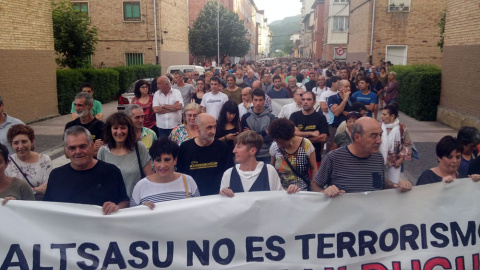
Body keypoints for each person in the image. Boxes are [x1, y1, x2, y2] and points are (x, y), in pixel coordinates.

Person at [312, 117, 412, 197]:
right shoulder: (334, 158)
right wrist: (325, 192)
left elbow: (379, 183)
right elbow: (315, 185)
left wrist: (396, 185)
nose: (379, 141)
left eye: (380, 135)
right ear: (357, 137)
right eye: (373, 136)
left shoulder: (377, 157)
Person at [44, 126, 129, 215]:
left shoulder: (111, 172)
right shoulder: (56, 176)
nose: (78, 151)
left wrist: (116, 207)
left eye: (82, 146)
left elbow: (125, 201)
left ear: (92, 145)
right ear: (66, 150)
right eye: (72, 148)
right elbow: (46, 208)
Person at [219, 131, 300, 196]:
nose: (234, 151)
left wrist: (291, 191)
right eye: (235, 147)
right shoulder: (228, 173)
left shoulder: (269, 171)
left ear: (252, 151)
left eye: (239, 147)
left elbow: (279, 199)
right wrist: (223, 194)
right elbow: (224, 207)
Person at [130, 137, 200, 209]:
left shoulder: (188, 181)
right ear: (153, 162)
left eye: (167, 160)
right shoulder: (141, 186)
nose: (162, 165)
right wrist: (141, 208)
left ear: (175, 160)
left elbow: (198, 209)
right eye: (158, 160)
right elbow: (132, 215)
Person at [176, 113, 234, 196]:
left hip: (218, 197)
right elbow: (180, 175)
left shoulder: (223, 147)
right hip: (193, 198)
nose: (213, 131)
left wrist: (226, 189)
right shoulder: (185, 147)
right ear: (197, 128)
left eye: (214, 127)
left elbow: (229, 173)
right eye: (209, 127)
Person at [97, 112, 153, 197]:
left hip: (136, 203)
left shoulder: (139, 147)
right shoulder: (102, 151)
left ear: (129, 129)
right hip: (112, 206)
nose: (119, 132)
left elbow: (150, 177)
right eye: (115, 128)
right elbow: (99, 181)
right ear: (110, 130)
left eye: (123, 128)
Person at [269, 118, 317, 191]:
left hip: (302, 192)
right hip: (281, 192)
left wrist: (314, 186)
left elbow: (314, 168)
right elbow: (271, 169)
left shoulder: (306, 145)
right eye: (277, 141)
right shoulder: (274, 147)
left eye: (281, 142)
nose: (279, 145)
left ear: (290, 137)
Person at [6, 124, 51, 200]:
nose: (20, 146)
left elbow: (47, 188)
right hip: (18, 207)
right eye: (16, 143)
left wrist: (21, 193)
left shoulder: (44, 160)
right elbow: (9, 191)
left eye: (24, 141)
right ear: (11, 144)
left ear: (32, 141)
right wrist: (36, 190)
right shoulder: (8, 162)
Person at [289, 91, 329, 167]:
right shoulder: (294, 116)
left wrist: (299, 136)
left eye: (308, 99)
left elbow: (323, 138)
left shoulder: (321, 117)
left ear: (314, 102)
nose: (305, 102)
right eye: (303, 99)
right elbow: (292, 135)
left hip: (315, 158)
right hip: (296, 157)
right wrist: (312, 133)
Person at [379, 104, 413, 184]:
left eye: (384, 114)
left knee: (394, 183)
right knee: (378, 181)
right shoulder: (378, 126)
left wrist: (401, 159)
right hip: (379, 158)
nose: (381, 116)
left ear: (392, 116)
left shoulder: (401, 128)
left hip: (395, 160)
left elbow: (407, 144)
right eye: (381, 114)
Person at [241, 89, 276, 163]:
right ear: (251, 100)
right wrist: (264, 133)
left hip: (267, 153)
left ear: (264, 100)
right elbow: (246, 138)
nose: (258, 103)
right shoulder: (245, 117)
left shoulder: (271, 117)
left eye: (260, 100)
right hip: (250, 153)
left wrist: (252, 132)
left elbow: (271, 137)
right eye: (256, 100)